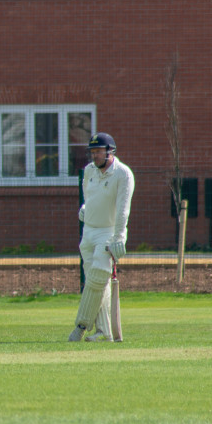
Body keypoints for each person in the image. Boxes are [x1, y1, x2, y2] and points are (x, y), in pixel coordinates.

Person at [71, 132, 135, 342]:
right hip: (89, 231)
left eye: (98, 152)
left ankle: (81, 326)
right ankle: (104, 332)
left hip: (108, 232)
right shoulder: (89, 171)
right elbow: (89, 197)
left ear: (110, 152)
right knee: (96, 282)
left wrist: (118, 237)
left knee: (98, 274)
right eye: (92, 152)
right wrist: (85, 209)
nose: (94, 156)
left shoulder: (123, 174)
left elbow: (123, 210)